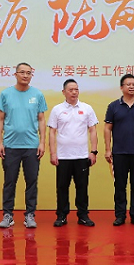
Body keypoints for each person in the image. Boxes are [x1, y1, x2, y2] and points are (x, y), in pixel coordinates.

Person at [0, 62, 47, 228]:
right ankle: (8, 215)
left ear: (32, 75)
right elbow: (0, 119)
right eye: (22, 72)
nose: (25, 75)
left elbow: (41, 120)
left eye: (29, 73)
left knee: (31, 181)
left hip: (32, 146)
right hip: (10, 146)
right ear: (15, 74)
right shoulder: (6, 94)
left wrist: (42, 142)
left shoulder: (37, 94)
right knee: (9, 182)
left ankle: (30, 215)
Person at [48, 79, 99, 227]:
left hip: (81, 156)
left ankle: (83, 215)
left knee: (82, 187)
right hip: (63, 156)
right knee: (62, 187)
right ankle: (61, 216)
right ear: (64, 92)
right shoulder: (57, 109)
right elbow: (52, 132)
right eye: (70, 90)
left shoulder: (87, 108)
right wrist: (53, 153)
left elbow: (93, 130)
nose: (74, 92)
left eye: (76, 89)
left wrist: (93, 151)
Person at [104, 74, 134, 226]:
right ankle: (120, 215)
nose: (131, 87)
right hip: (119, 152)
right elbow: (107, 128)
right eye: (128, 84)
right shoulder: (113, 106)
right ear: (121, 87)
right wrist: (107, 149)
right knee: (120, 185)